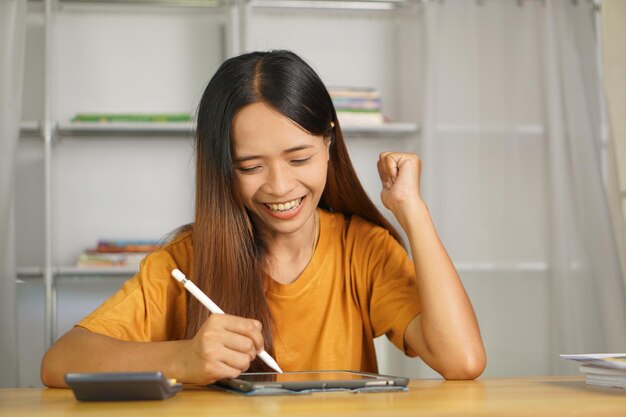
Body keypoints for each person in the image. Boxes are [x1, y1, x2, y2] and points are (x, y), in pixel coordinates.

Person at [40, 50, 486, 387]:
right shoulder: (183, 262)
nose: (279, 186)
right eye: (250, 167)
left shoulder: (362, 249)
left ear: (329, 141)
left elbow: (462, 361)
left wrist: (413, 210)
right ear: (221, 168)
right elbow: (59, 362)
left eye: (299, 157)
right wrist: (183, 359)